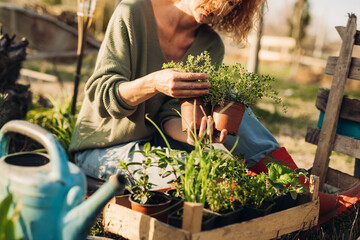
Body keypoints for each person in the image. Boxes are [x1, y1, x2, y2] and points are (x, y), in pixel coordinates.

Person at [69, 0, 360, 225]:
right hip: (105, 146)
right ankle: (287, 200)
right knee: (200, 173)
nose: (222, 10)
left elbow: (169, 113)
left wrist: (193, 134)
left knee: (230, 102)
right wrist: (154, 82)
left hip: (154, 139)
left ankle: (299, 190)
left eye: (233, 4)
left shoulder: (210, 45)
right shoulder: (133, 11)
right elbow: (101, 94)